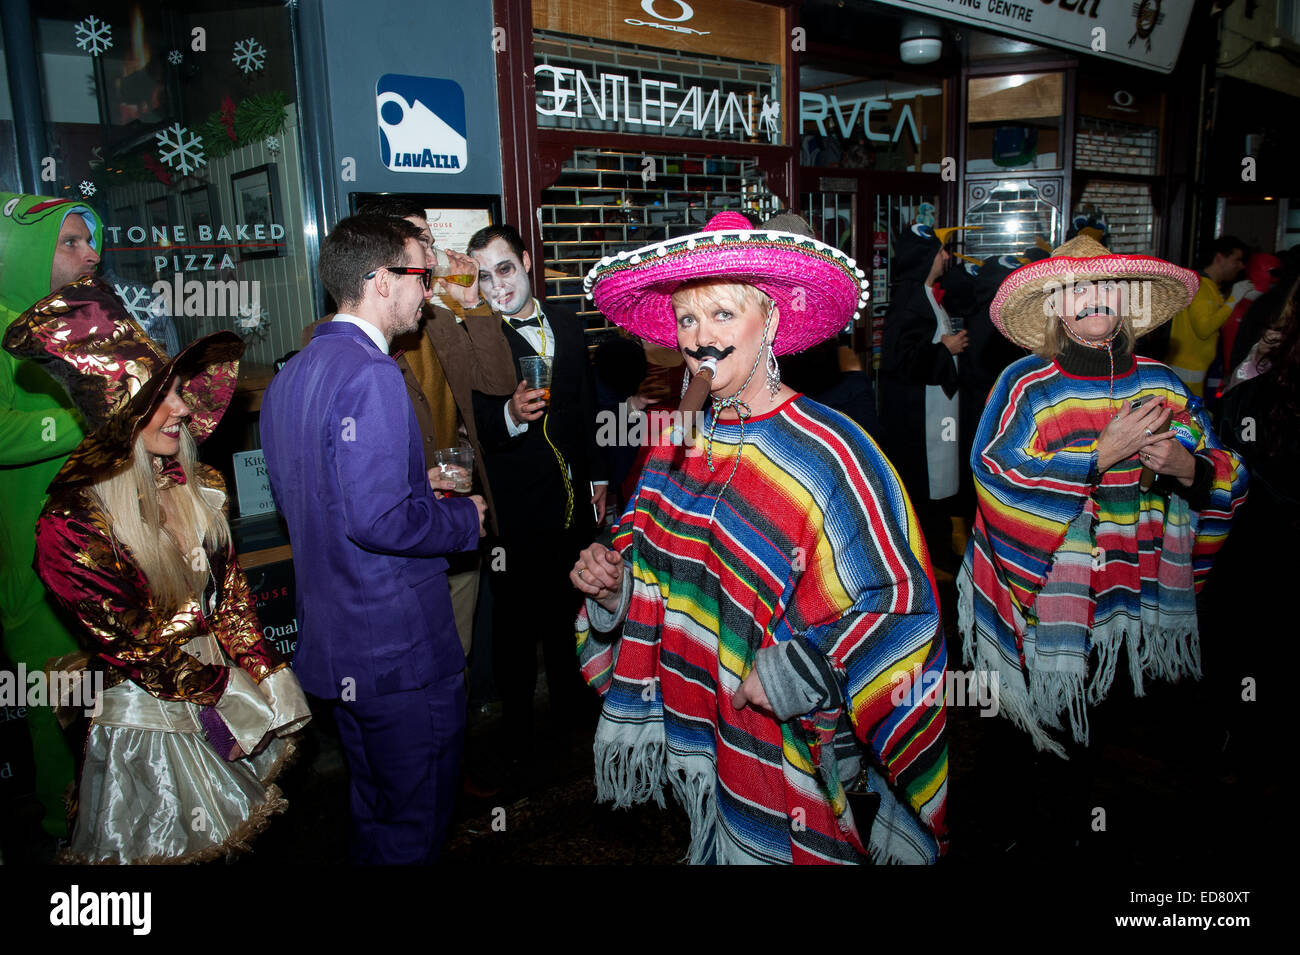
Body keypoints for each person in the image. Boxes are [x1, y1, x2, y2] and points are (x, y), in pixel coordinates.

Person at [573, 212, 949, 865]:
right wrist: (613, 586)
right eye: (687, 320)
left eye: (722, 314)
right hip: (704, 730)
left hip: (790, 749)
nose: (700, 339)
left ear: (770, 319)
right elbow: (646, 559)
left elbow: (902, 606)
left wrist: (806, 668)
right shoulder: (675, 439)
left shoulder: (831, 453)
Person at [3, 276, 311, 863]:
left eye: (178, 391)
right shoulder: (72, 526)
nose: (182, 407)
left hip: (225, 691)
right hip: (154, 720)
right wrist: (225, 694)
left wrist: (263, 672)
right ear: (120, 416)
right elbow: (134, 645)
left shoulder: (201, 487)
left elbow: (233, 598)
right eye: (159, 399)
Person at [958, 235, 1249, 757]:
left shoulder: (1163, 382)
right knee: (1044, 744)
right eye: (1075, 288)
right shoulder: (1027, 384)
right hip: (1051, 595)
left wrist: (1191, 470)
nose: (1094, 296)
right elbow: (993, 472)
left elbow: (1230, 470)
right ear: (1056, 308)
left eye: (1108, 284)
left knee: (1121, 728)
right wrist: (1098, 457)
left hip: (1138, 586)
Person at [261, 215, 487, 864]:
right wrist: (463, 518)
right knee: (414, 829)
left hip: (338, 652)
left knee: (375, 814)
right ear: (383, 281)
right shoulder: (375, 373)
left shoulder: (290, 376)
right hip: (397, 653)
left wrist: (417, 487)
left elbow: (325, 505)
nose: (430, 290)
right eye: (421, 275)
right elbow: (376, 521)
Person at [300, 198, 516, 656]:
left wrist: (473, 304)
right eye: (421, 245)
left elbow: (498, 382)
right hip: (389, 542)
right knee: (407, 660)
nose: (433, 259)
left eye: (432, 245)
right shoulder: (330, 340)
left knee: (453, 655)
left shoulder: (433, 319)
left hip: (454, 511)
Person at [467, 224, 607, 759]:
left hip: (572, 502)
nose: (497, 285)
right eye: (483, 277)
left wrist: (596, 477)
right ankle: (518, 734)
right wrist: (508, 414)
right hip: (516, 511)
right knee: (515, 626)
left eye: (504, 269)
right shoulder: (481, 339)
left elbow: (588, 408)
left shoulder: (569, 324)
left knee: (568, 610)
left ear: (527, 261)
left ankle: (575, 720)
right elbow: (472, 420)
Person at [0, 192, 102, 840]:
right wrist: (80, 420)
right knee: (54, 724)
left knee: (101, 721)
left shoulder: (72, 326)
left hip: (94, 554)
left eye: (89, 241)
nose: (91, 254)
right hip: (36, 576)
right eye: (70, 242)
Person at [878, 223, 971, 573]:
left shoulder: (925, 294)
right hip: (919, 418)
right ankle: (927, 561)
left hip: (938, 413)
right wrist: (944, 349)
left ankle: (937, 556)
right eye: (940, 252)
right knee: (923, 488)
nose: (946, 258)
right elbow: (899, 362)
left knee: (939, 485)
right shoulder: (910, 300)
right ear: (924, 258)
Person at [1165, 234, 1247, 396]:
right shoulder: (1201, 286)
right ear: (1219, 258)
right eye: (1236, 260)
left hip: (1194, 370)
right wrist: (1233, 299)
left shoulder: (1208, 286)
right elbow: (1204, 329)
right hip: (1188, 370)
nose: (1241, 266)